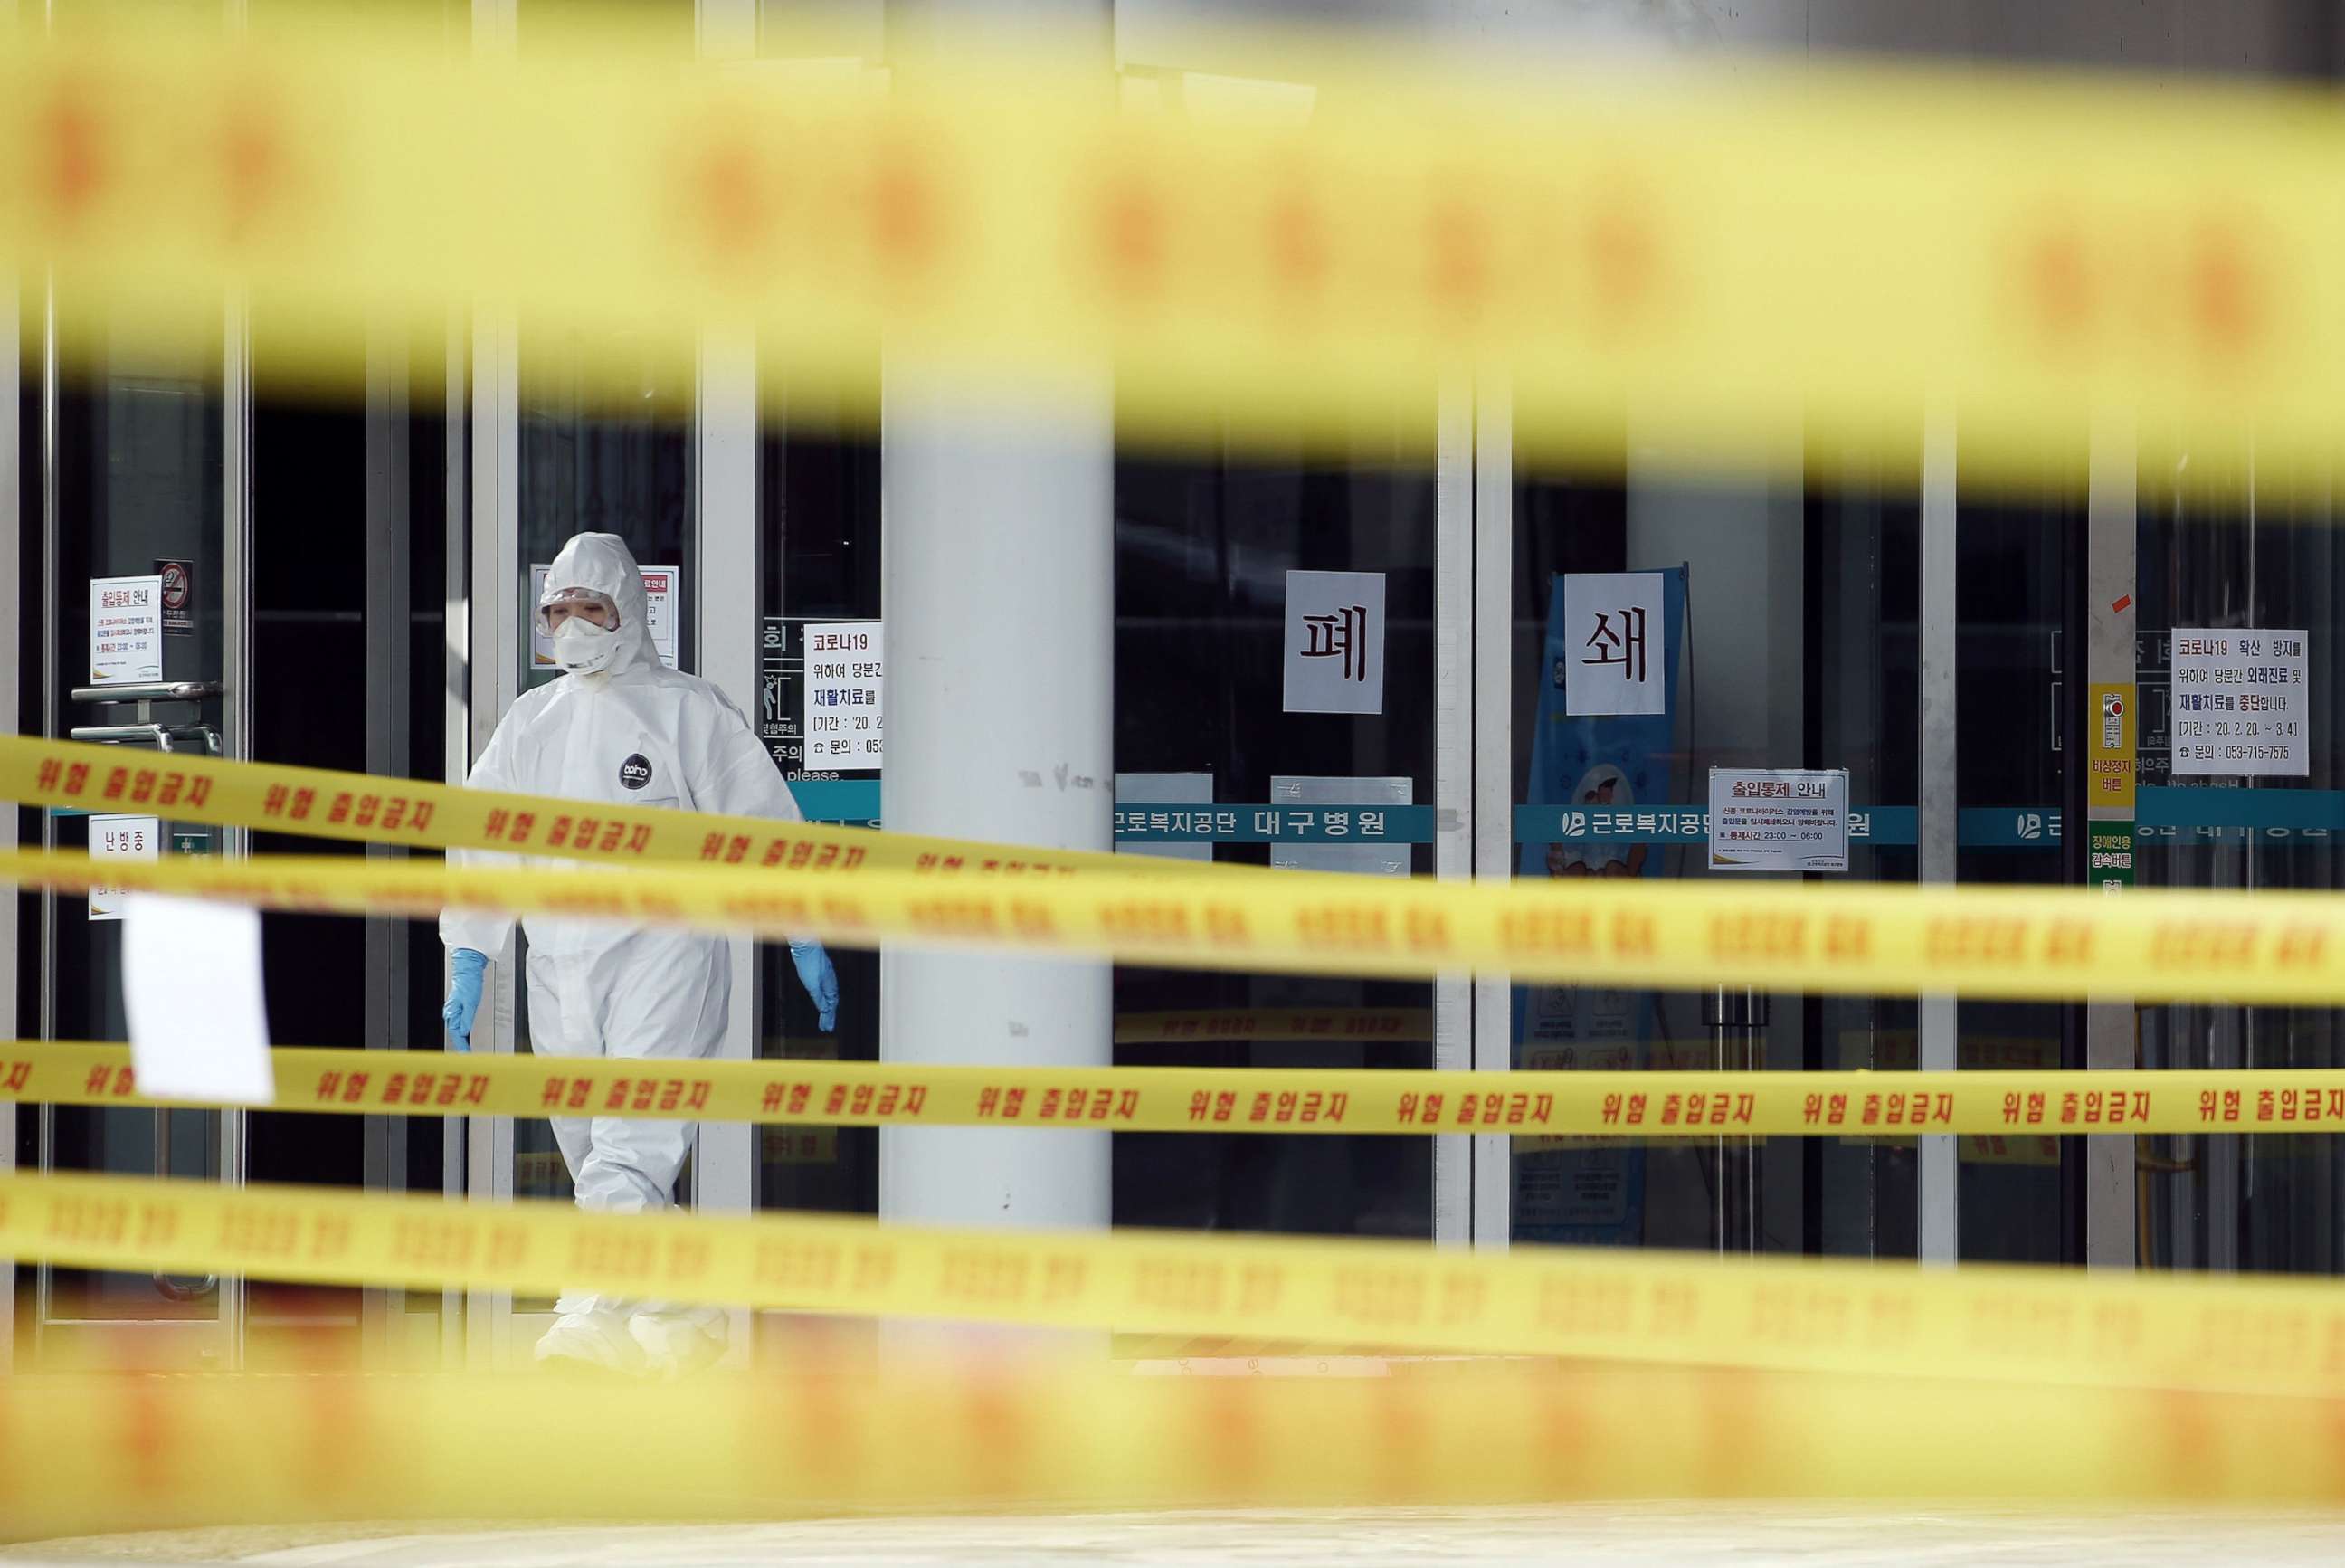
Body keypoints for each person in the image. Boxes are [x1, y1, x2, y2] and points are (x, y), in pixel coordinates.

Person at [439, 532, 839, 1376]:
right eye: (557, 611)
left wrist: (802, 927)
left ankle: (584, 1324)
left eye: (591, 608)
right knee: (593, 1154)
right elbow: (481, 839)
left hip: (665, 959)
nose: (572, 625)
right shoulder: (530, 721)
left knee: (627, 1147)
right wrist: (469, 950)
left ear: (630, 611)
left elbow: (761, 822)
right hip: (558, 968)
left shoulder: (687, 711)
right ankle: (686, 1311)